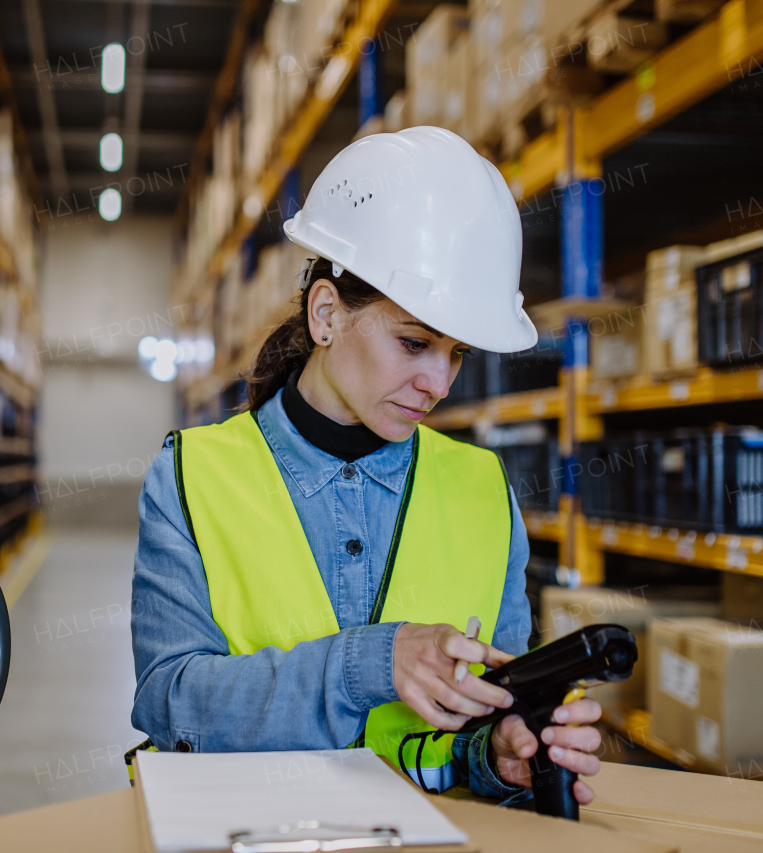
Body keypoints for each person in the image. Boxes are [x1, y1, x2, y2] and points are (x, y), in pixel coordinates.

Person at [130, 127, 602, 803]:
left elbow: (484, 717)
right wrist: (367, 664)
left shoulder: (481, 490)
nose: (438, 383)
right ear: (326, 314)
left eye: (457, 353)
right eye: (413, 343)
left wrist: (504, 754)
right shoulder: (191, 478)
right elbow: (170, 699)